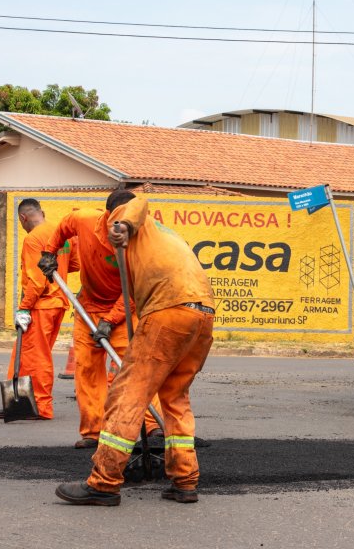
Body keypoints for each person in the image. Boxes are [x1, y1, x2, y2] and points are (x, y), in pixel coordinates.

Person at [55, 189, 215, 506]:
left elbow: (138, 200)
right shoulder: (163, 238)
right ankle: (185, 481)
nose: (109, 227)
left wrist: (123, 223)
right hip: (203, 314)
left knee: (128, 394)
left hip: (169, 310)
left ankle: (103, 482)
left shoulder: (130, 217)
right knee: (174, 397)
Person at [40, 199, 163, 448]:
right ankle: (93, 432)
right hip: (89, 306)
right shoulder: (84, 220)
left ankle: (153, 428)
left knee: (137, 368)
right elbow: (65, 226)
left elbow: (133, 291)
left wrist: (109, 321)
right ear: (109, 216)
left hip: (125, 312)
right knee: (86, 369)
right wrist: (49, 252)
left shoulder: (145, 242)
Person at [0, 199, 77, 420]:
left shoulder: (33, 239)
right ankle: (15, 402)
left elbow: (37, 279)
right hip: (57, 303)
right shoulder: (59, 234)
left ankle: (40, 406)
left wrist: (24, 307)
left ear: (23, 218)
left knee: (37, 356)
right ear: (42, 212)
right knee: (27, 354)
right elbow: (74, 263)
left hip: (42, 304)